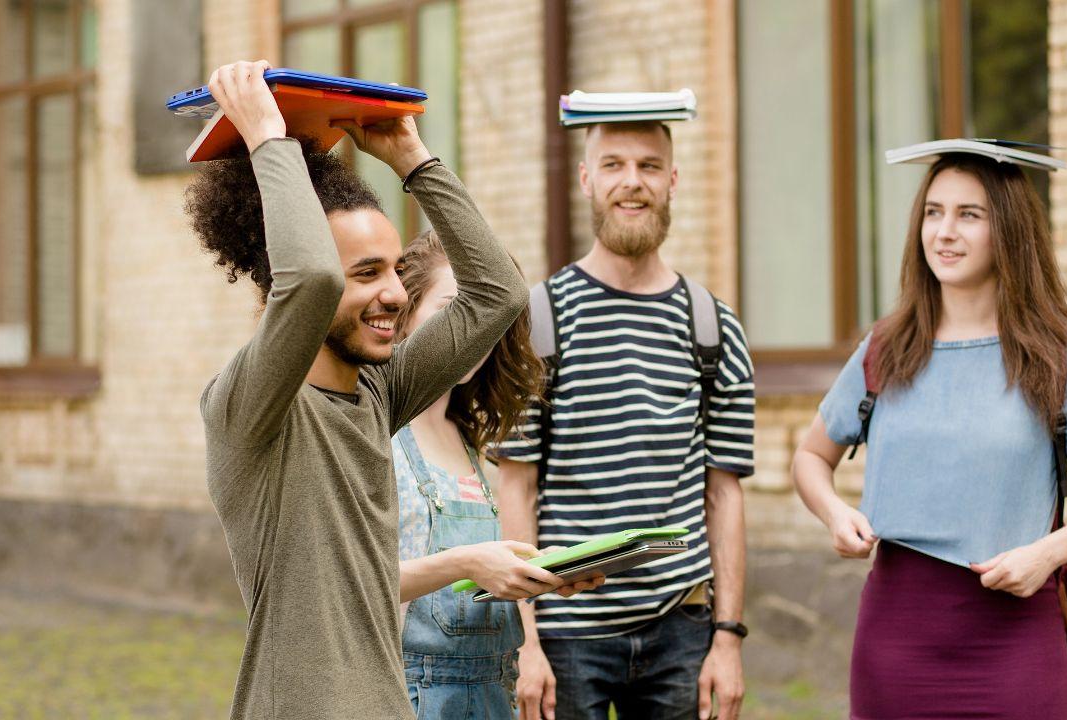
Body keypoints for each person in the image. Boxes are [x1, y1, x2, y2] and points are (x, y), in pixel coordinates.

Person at [187, 60, 576, 720]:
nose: (394, 293)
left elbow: (497, 294)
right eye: (366, 274)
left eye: (396, 271)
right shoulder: (246, 409)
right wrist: (267, 140)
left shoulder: (378, 393)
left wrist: (411, 158)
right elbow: (310, 278)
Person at [791, 151, 1067, 718]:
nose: (944, 232)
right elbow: (809, 457)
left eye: (969, 214)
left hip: (1016, 644)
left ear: (1009, 230)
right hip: (894, 643)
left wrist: (1047, 554)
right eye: (932, 212)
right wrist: (833, 513)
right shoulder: (884, 348)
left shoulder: (1056, 357)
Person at [494, 120, 756, 720]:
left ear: (673, 179)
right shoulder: (539, 321)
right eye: (612, 164)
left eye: (648, 165)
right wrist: (525, 643)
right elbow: (516, 486)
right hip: (565, 636)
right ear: (586, 178)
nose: (631, 183)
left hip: (682, 628)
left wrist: (728, 636)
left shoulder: (713, 327)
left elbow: (724, 493)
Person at [390, 230, 603, 718]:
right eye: (452, 310)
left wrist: (537, 574)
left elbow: (478, 579)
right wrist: (467, 563)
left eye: (483, 316)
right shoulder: (377, 437)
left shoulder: (469, 442)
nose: (471, 331)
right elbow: (351, 586)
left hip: (491, 698)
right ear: (403, 318)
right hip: (411, 699)